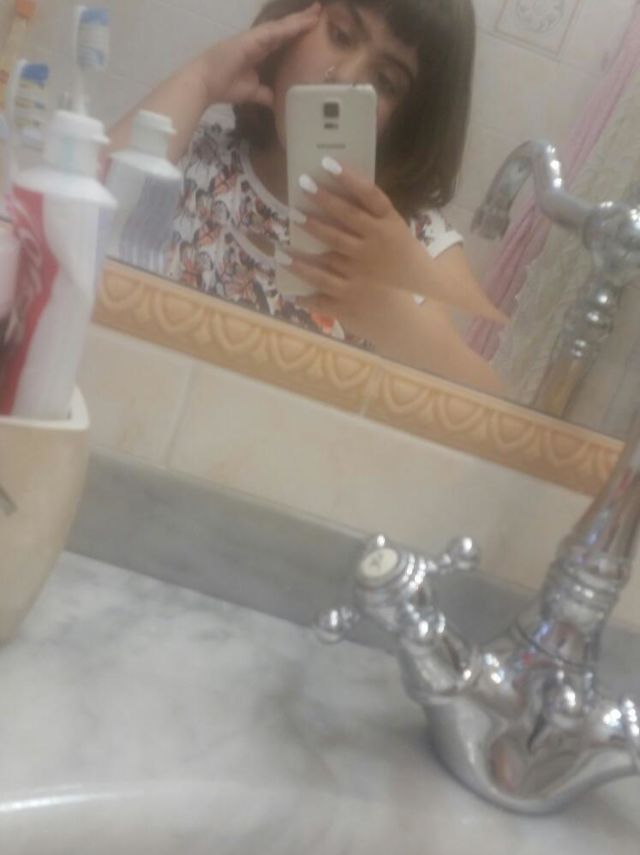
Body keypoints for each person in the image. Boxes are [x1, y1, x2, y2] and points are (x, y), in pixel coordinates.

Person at [110, 0, 506, 394]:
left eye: (386, 82)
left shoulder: (415, 240)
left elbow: (494, 409)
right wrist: (202, 79)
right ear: (294, 20)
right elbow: (82, 227)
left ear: (408, 118)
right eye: (341, 35)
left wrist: (395, 317)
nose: (346, 78)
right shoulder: (192, 160)